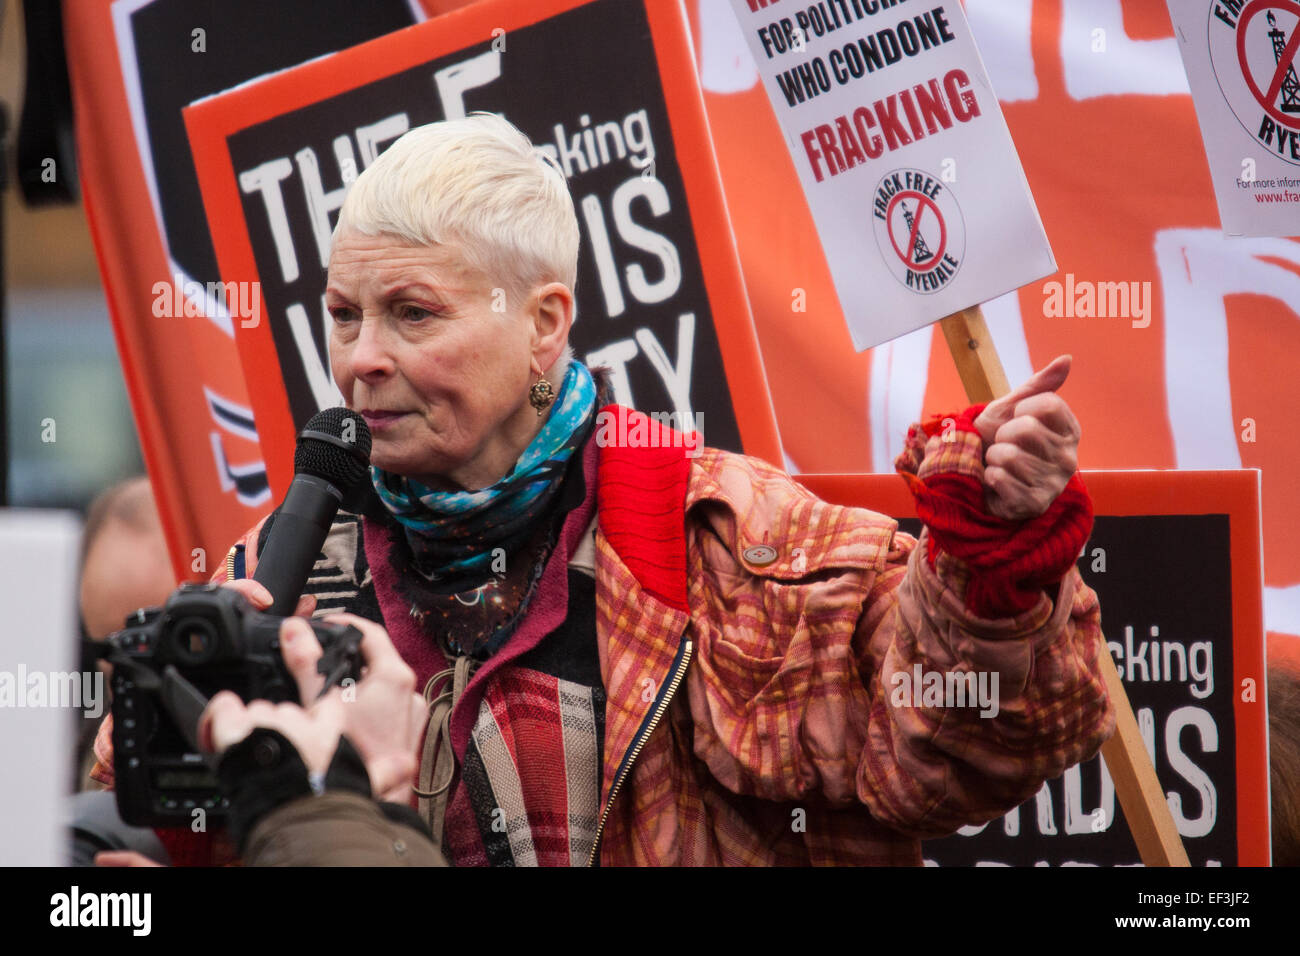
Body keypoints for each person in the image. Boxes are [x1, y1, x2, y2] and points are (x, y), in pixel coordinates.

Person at [92, 112, 1115, 866]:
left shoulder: (730, 533)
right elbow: (118, 833)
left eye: (412, 313)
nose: (362, 357)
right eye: (344, 313)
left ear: (544, 322)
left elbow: (957, 754)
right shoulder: (275, 576)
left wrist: (988, 560)